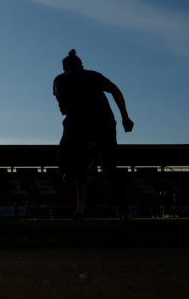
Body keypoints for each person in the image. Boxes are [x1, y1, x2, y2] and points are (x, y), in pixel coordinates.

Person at [53, 49, 135, 221]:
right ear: (81, 66)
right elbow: (115, 90)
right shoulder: (94, 75)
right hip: (105, 121)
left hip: (78, 121)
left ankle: (87, 179)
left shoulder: (61, 78)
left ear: (64, 68)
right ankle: (125, 212)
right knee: (110, 168)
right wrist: (125, 117)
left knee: (63, 160)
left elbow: (60, 96)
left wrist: (63, 105)